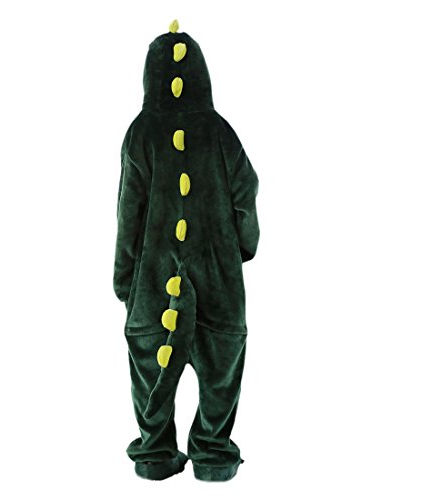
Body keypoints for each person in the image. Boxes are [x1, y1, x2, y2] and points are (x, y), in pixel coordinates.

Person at [113, 19, 260, 481]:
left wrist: (124, 279)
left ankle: (155, 453)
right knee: (220, 369)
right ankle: (213, 454)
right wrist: (243, 247)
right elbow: (246, 189)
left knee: (150, 366)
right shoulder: (219, 132)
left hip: (155, 284)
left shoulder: (140, 133)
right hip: (218, 282)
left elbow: (128, 212)